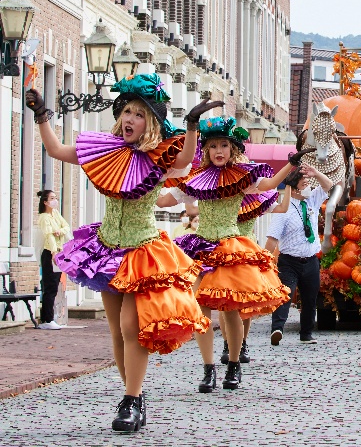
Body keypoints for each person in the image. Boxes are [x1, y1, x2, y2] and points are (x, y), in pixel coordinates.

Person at [25, 73, 216, 433]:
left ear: (151, 123)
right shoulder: (104, 152)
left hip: (143, 250)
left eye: (139, 113)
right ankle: (135, 396)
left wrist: (192, 126)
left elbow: (186, 159)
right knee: (116, 330)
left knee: (132, 325)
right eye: (126, 111)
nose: (130, 118)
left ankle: (130, 399)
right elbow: (55, 150)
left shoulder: (160, 158)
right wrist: (42, 116)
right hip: (106, 248)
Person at [158, 116, 301, 393]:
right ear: (207, 151)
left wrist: (291, 165)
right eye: (213, 146)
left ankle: (233, 365)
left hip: (230, 248)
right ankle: (208, 368)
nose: (219, 151)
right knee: (200, 309)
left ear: (232, 149)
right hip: (201, 247)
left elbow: (269, 185)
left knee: (231, 309)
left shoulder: (242, 177)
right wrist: (155, 174)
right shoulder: (196, 179)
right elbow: (165, 200)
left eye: (224, 145)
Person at [219, 187, 293, 366]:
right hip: (225, 252)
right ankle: (227, 343)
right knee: (224, 302)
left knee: (246, 303)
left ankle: (242, 343)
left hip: (247, 253)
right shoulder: (223, 195)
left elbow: (282, 208)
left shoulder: (256, 198)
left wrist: (288, 185)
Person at [266, 164, 334, 346]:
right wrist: (263, 259)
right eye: (305, 183)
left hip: (311, 259)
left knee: (310, 298)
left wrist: (316, 173)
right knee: (286, 295)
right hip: (290, 261)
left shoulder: (311, 201)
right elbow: (273, 238)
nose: (309, 187)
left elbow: (328, 185)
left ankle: (306, 333)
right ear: (295, 187)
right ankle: (277, 329)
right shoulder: (284, 209)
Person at [37, 189, 70, 330]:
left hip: (59, 252)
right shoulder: (44, 217)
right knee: (50, 287)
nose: (55, 200)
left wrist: (60, 231)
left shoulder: (55, 214)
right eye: (52, 198)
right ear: (45, 202)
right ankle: (47, 319)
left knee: (55, 285)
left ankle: (49, 317)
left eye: (55, 197)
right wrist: (53, 252)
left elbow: (66, 226)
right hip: (51, 253)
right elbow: (48, 235)